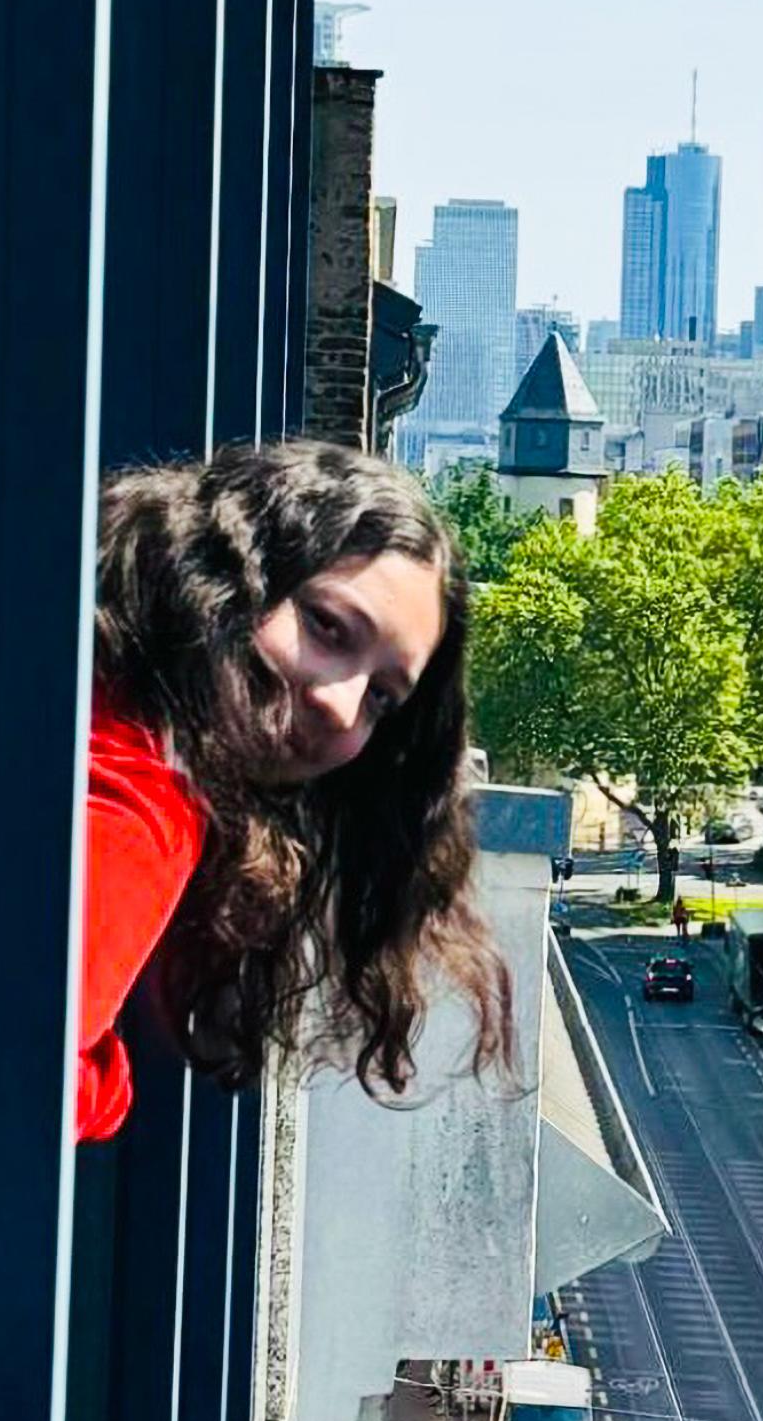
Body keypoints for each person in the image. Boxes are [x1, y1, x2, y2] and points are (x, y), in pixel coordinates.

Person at [78, 437, 514, 1142]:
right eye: (328, 628)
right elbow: (16, 1076)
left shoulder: (80, 670)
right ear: (221, 574)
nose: (343, 707)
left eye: (381, 698)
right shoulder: (145, 805)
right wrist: (109, 1086)